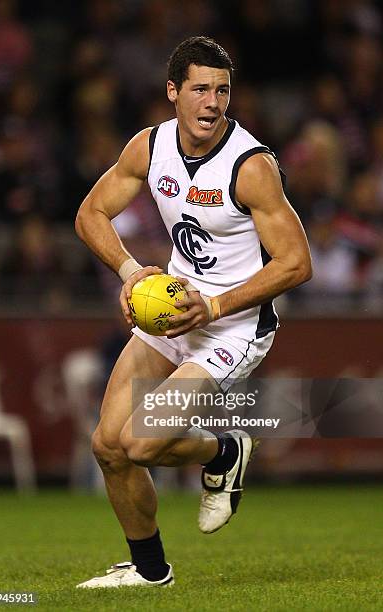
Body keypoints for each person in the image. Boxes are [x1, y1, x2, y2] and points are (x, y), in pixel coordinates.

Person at [75, 36, 312, 589]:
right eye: (201, 89)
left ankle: (226, 448)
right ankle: (150, 571)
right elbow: (91, 214)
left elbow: (297, 263)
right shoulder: (149, 148)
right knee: (108, 447)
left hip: (232, 325)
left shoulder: (249, 166)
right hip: (173, 312)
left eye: (223, 91)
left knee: (141, 441)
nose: (213, 103)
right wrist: (132, 272)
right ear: (173, 93)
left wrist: (215, 305)